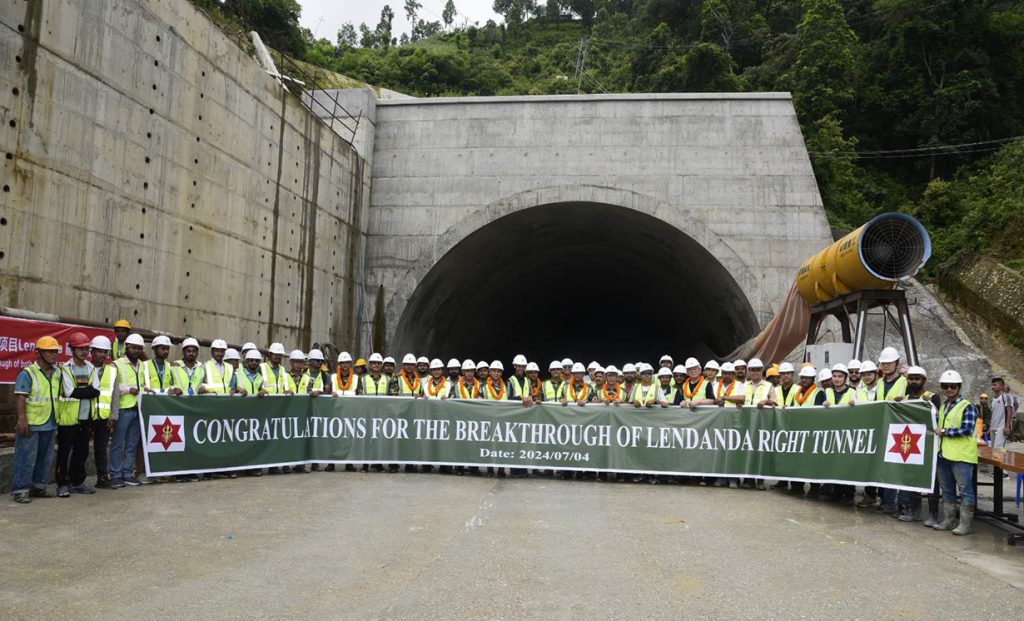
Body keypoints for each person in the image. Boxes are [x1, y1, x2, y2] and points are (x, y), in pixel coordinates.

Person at [10, 336, 63, 503]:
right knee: (26, 457)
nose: (54, 355)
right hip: (31, 424)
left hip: (50, 422)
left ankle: (38, 487)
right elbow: (20, 396)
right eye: (49, 351)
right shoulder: (28, 373)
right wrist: (21, 419)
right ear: (38, 353)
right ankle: (20, 490)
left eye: (56, 351)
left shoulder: (57, 373)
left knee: (44, 458)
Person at [55, 332, 101, 497]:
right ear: (72, 350)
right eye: (80, 349)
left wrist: (82, 391)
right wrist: (86, 391)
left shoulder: (91, 368)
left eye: (86, 348)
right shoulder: (65, 369)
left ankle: (77, 482)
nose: (84, 352)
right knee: (64, 452)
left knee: (82, 452)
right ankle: (61, 484)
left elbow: (96, 390)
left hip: (86, 417)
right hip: (68, 419)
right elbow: (69, 392)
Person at [932, 369, 978, 536]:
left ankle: (965, 524)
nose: (949, 389)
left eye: (953, 386)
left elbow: (966, 429)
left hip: (962, 457)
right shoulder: (944, 406)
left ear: (959, 387)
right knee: (948, 490)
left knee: (965, 490)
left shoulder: (968, 407)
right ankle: (949, 520)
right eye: (945, 386)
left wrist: (944, 431)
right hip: (944, 455)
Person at [897, 366, 942, 523]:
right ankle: (915, 512)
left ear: (923, 381)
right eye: (911, 379)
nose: (913, 381)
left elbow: (938, 416)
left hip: (928, 445)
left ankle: (933, 515)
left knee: (931, 481)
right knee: (912, 478)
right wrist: (896, 405)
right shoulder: (906, 397)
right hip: (911, 445)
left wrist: (931, 406)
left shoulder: (932, 396)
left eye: (917, 379)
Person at [109, 333, 146, 487]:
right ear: (127, 348)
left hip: (138, 409)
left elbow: (143, 384)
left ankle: (127, 473)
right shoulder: (115, 365)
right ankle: (116, 474)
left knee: (132, 444)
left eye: (139, 348)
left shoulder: (143, 365)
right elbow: (111, 386)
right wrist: (128, 389)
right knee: (118, 443)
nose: (136, 351)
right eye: (133, 348)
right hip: (123, 409)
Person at [90, 336, 118, 489]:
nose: (102, 354)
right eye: (98, 351)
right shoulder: (85, 368)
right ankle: (75, 480)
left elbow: (115, 396)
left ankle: (102, 478)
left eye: (104, 352)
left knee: (101, 448)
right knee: (80, 449)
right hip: (86, 416)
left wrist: (113, 416)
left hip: (104, 417)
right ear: (92, 352)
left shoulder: (112, 371)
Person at [990, 376, 1017, 451]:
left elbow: (1009, 411)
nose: (992, 387)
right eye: (992, 385)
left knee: (998, 450)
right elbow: (994, 414)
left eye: (995, 385)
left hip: (1002, 428)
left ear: (1001, 386)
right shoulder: (993, 399)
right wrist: (990, 428)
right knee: (992, 450)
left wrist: (1007, 427)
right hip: (993, 428)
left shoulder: (1006, 396)